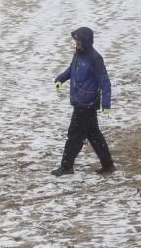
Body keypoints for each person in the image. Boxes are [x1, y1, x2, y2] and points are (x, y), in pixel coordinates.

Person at [51, 27, 115, 176]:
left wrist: (106, 104)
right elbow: (71, 69)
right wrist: (60, 79)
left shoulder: (95, 59)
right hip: (80, 102)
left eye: (79, 40)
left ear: (86, 40)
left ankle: (66, 167)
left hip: (87, 104)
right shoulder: (78, 55)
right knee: (94, 135)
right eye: (76, 40)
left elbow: (105, 81)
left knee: (74, 135)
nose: (77, 43)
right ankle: (108, 165)